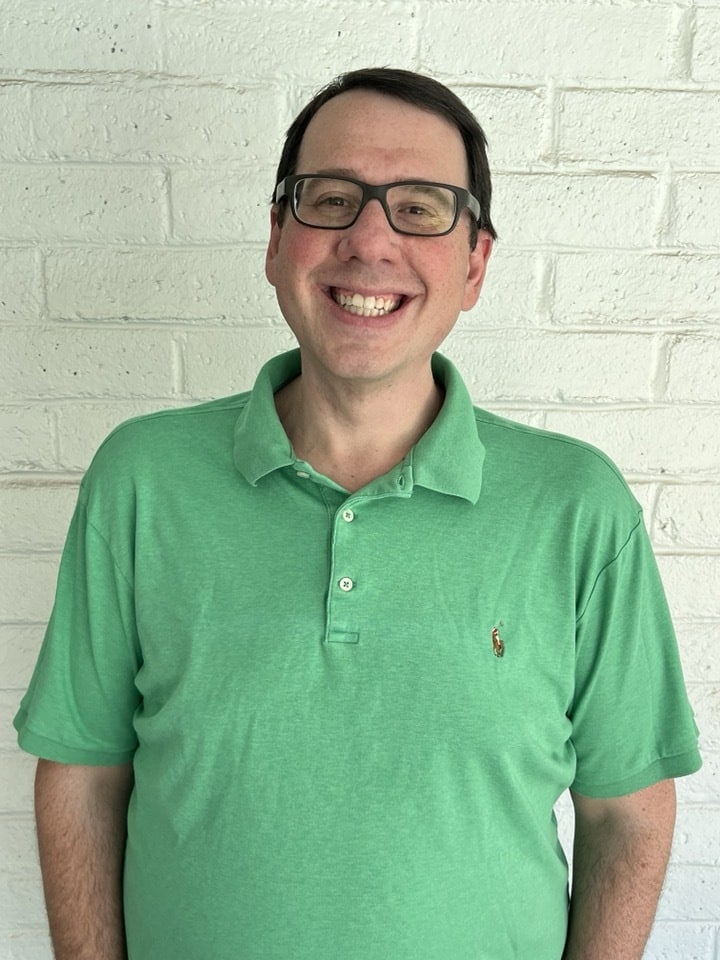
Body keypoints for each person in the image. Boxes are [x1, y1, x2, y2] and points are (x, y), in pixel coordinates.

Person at [15, 67, 701, 960]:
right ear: (275, 239)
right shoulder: (142, 479)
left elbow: (629, 815)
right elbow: (82, 774)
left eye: (420, 207)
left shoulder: (577, 509)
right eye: (331, 199)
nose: (369, 239)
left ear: (476, 264)